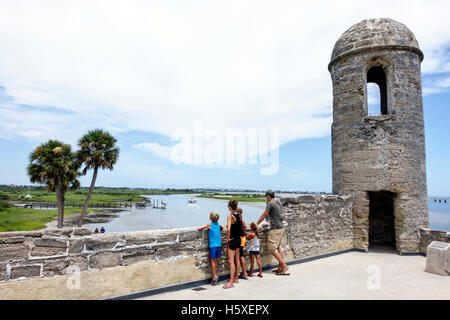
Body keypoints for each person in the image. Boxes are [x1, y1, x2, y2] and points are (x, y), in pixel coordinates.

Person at [256, 190, 289, 275]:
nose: (266, 198)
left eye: (266, 196)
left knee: (272, 248)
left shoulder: (270, 203)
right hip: (281, 227)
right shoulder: (278, 201)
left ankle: (284, 266)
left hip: (275, 229)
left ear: (268, 196)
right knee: (279, 248)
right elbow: (279, 215)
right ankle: (280, 268)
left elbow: (264, 214)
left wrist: (256, 224)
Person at [198, 212, 224, 286]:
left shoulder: (209, 225)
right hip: (218, 245)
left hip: (213, 246)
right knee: (215, 260)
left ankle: (214, 276)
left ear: (210, 218)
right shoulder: (218, 224)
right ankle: (215, 275)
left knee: (212, 261)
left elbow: (199, 228)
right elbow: (222, 228)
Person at [223, 199, 244, 289]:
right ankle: (236, 278)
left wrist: (228, 238)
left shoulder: (230, 216)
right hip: (239, 240)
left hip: (233, 241)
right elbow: (242, 226)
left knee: (231, 261)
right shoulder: (239, 215)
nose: (227, 207)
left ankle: (231, 282)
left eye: (228, 206)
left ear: (230, 207)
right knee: (237, 259)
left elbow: (228, 229)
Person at [236, 208, 249, 280]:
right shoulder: (241, 218)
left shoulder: (237, 218)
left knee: (238, 256)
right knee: (241, 255)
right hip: (243, 238)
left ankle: (238, 273)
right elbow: (245, 226)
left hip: (239, 238)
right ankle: (244, 272)